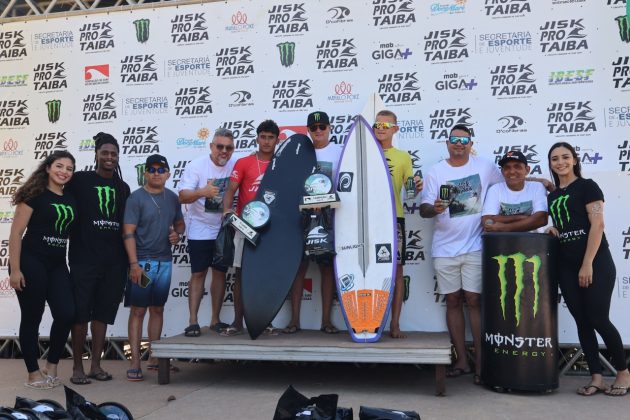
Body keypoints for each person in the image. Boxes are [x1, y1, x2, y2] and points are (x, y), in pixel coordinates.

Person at [420, 124, 502, 384]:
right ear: (447, 143)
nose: (459, 144)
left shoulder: (486, 166)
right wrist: (434, 208)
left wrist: (539, 182)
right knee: (453, 301)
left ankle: (482, 362)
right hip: (444, 248)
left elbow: (508, 187)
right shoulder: (436, 171)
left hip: (475, 246)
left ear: (470, 144)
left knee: (474, 301)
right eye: (454, 139)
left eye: (464, 140)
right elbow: (423, 210)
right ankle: (462, 361)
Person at [546, 142, 630, 396]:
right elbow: (566, 222)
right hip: (566, 267)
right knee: (582, 322)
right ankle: (597, 377)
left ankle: (623, 372)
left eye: (565, 157)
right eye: (554, 159)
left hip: (596, 263)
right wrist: (554, 230)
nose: (560, 162)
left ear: (574, 160)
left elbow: (598, 225)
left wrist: (587, 264)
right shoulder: (552, 195)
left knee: (598, 318)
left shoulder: (587, 187)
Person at [8, 151, 77, 389]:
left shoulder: (71, 198)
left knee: (67, 313)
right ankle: (33, 373)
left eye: (69, 168)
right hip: (31, 262)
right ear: (48, 168)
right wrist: (15, 270)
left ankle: (51, 365)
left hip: (57, 264)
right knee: (32, 318)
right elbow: (16, 234)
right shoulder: (34, 195)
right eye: (59, 166)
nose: (64, 172)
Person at [67, 133, 130, 385]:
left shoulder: (123, 187)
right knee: (81, 314)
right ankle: (76, 368)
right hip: (84, 259)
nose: (109, 157)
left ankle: (95, 366)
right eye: (105, 153)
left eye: (113, 154)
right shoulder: (79, 180)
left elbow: (130, 224)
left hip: (115, 261)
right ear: (96, 154)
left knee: (102, 314)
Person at [123, 155, 185, 381]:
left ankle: (155, 358)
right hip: (142, 263)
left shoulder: (172, 198)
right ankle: (135, 361)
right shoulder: (136, 198)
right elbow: (128, 232)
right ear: (145, 173)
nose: (157, 173)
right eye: (152, 169)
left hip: (164, 261)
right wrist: (133, 264)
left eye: (161, 169)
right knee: (138, 310)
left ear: (168, 174)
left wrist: (177, 234)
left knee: (157, 309)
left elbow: (180, 223)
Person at [284, 111, 342, 335]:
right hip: (301, 216)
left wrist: (324, 202)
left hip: (329, 217)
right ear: (307, 130)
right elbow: (291, 183)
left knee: (327, 268)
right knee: (299, 268)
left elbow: (345, 184)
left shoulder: (340, 151)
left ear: (329, 128)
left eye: (322, 126)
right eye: (314, 127)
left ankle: (326, 321)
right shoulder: (299, 151)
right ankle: (294, 321)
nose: (318, 131)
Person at [222, 120, 280, 336]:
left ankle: (265, 321)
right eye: (263, 137)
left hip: (272, 228)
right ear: (257, 138)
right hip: (245, 227)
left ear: (277, 139)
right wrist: (227, 211)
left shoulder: (280, 163)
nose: (266, 141)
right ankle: (238, 322)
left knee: (266, 275)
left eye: (270, 137)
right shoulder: (244, 162)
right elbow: (231, 190)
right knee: (240, 274)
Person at [178, 128, 236, 336]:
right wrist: (203, 191)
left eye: (228, 148)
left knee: (220, 273)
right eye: (219, 146)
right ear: (211, 146)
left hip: (223, 227)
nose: (224, 151)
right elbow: (182, 196)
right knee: (198, 273)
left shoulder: (235, 165)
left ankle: (215, 320)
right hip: (200, 227)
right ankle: (193, 321)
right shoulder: (197, 165)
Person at [372, 110, 422, 339]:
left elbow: (409, 192)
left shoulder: (403, 157)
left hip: (394, 219)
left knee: (397, 271)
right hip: (366, 220)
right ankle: (371, 320)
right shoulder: (363, 153)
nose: (380, 127)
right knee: (370, 269)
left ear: (395, 129)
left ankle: (395, 324)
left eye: (386, 124)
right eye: (377, 124)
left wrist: (416, 186)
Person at [481, 150, 548, 232]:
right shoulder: (495, 189)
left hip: (532, 242)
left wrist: (503, 227)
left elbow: (541, 219)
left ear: (527, 170)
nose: (512, 171)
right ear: (502, 172)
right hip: (501, 243)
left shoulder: (537, 187)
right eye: (507, 167)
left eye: (517, 166)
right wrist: (520, 217)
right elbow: (487, 221)